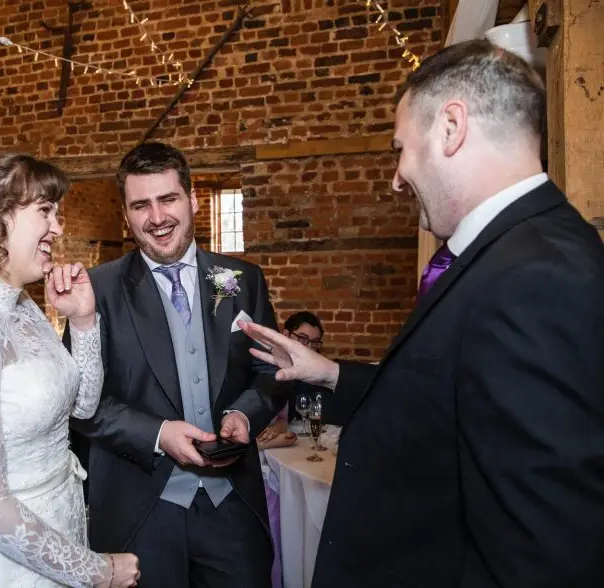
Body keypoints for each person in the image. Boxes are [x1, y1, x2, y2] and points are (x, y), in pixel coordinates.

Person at [241, 39, 604, 587]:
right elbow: (446, 389)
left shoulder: (537, 277)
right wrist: (330, 372)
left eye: (401, 148)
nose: (396, 175)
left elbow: (543, 549)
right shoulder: (507, 252)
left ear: (452, 128)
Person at [69, 142, 287, 588]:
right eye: (141, 205)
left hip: (232, 510)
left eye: (168, 199)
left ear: (191, 199)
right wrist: (159, 435)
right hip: (141, 512)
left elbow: (270, 374)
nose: (157, 217)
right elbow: (81, 402)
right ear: (126, 215)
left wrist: (245, 414)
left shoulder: (240, 280)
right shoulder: (96, 290)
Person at [0, 152, 139, 588]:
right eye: (45, 211)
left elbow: (82, 407)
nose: (58, 227)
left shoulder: (20, 306)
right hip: (4, 568)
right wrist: (98, 571)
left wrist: (84, 321)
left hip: (61, 532)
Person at [257, 311, 325, 444]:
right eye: (303, 339)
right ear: (286, 335)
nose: (309, 348)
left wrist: (280, 426)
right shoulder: (263, 364)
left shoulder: (311, 376)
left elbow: (286, 414)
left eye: (315, 342)